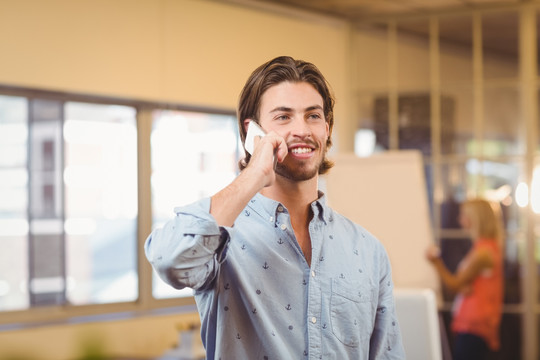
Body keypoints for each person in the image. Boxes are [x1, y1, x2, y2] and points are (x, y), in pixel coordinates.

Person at [145, 56, 405, 359]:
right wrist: (253, 175)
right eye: (283, 117)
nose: (301, 130)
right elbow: (170, 261)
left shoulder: (368, 251)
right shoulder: (222, 239)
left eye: (313, 116)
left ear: (328, 128)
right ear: (251, 132)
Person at [426, 198, 504, 360]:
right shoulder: (484, 248)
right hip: (473, 323)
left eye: (464, 215)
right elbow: (464, 285)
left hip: (475, 324)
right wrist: (463, 286)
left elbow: (455, 284)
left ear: (475, 219)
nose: (460, 219)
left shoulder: (483, 253)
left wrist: (436, 262)